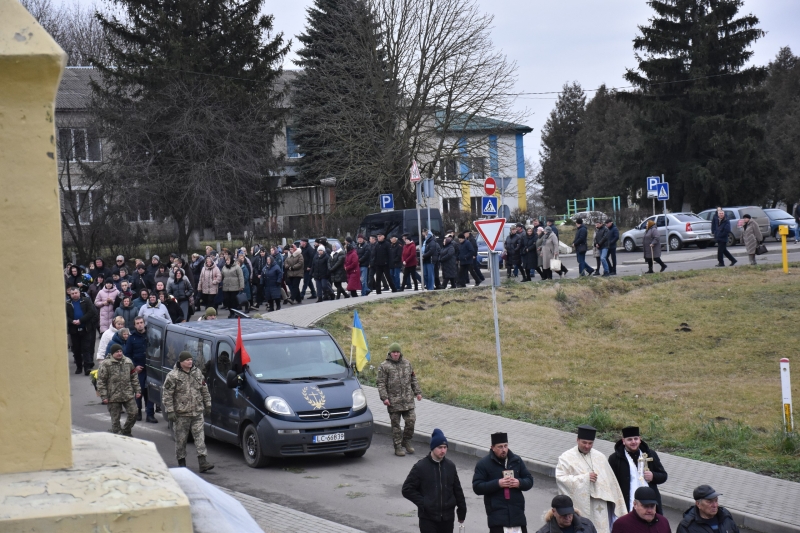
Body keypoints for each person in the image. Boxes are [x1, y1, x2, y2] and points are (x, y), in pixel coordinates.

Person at [556, 425, 627, 533]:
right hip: (581, 505)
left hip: (600, 506)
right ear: (577, 440)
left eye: (590, 443)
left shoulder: (600, 457)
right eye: (584, 442)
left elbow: (611, 482)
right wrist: (585, 478)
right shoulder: (566, 458)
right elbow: (561, 479)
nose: (587, 446)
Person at [402, 428, 467, 533]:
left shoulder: (450, 466)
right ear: (432, 448)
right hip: (428, 518)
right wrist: (424, 503)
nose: (443, 451)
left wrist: (462, 511)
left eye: (445, 447)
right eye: (440, 447)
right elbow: (407, 489)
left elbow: (457, 490)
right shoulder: (421, 467)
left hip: (447, 518)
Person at [472, 432, 534, 533]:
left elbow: (529, 480)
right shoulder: (483, 464)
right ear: (492, 447)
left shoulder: (516, 460)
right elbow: (477, 487)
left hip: (517, 515)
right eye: (500, 447)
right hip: (497, 517)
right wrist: (498, 483)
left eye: (505, 446)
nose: (504, 449)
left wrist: (519, 483)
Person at [163, 351, 214, 472]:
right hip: (181, 414)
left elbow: (204, 389)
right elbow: (167, 395)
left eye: (191, 359)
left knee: (200, 437)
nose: (190, 362)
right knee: (181, 439)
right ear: (181, 362)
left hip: (197, 411)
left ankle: (203, 461)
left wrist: (208, 404)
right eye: (187, 360)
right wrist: (170, 411)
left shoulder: (197, 373)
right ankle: (181, 463)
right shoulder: (173, 375)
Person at [607, 426, 668, 515]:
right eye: (629, 439)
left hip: (649, 503)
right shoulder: (615, 458)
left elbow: (663, 476)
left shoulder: (650, 454)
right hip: (627, 503)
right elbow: (610, 482)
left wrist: (653, 476)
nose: (633, 442)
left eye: (636, 439)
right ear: (623, 441)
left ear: (640, 439)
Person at [377, 343, 422, 456]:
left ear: (400, 353)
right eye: (394, 352)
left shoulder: (407, 364)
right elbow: (381, 383)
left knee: (411, 421)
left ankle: (406, 441)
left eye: (397, 352)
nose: (396, 354)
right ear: (390, 353)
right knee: (396, 426)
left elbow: (413, 379)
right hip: (393, 402)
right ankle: (398, 447)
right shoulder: (384, 366)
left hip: (407, 400)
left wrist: (417, 392)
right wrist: (384, 398)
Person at [96, 343, 141, 436]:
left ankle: (126, 431)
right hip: (113, 396)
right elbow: (101, 381)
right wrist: (104, 396)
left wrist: (137, 390)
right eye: (117, 352)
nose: (119, 353)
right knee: (115, 421)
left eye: (120, 351)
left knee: (134, 413)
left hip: (127, 394)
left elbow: (134, 377)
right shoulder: (106, 364)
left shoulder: (128, 362)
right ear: (112, 353)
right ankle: (117, 434)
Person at [124, 316, 156, 422]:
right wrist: (135, 366)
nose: (140, 325)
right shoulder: (131, 338)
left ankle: (150, 414)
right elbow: (127, 354)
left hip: (151, 368)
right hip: (139, 369)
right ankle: (138, 412)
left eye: (141, 322)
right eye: (137, 323)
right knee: (139, 391)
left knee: (151, 391)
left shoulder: (150, 335)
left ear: (144, 323)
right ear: (134, 325)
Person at [66, 286, 98, 375]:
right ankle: (79, 367)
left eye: (76, 293)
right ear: (70, 294)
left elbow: (91, 312)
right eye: (72, 293)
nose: (74, 295)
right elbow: (65, 315)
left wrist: (81, 320)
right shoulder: (67, 303)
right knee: (76, 349)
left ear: (79, 293)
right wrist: (72, 321)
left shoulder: (86, 301)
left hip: (85, 329)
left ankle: (87, 367)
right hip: (74, 330)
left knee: (86, 348)